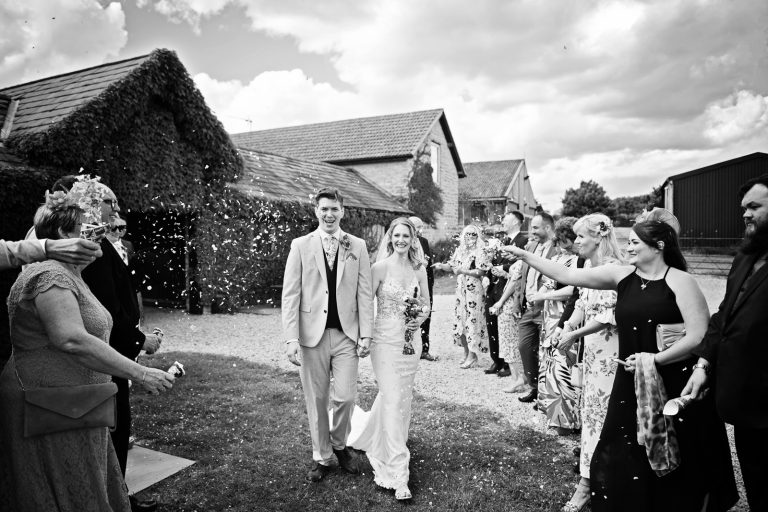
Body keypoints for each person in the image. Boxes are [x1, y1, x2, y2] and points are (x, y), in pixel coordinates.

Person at [504, 217, 738, 512]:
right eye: (628, 242)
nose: (628, 248)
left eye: (635, 242)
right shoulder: (621, 275)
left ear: (658, 247)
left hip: (673, 377)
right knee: (620, 444)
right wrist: (526, 255)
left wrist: (654, 359)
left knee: (676, 447)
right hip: (630, 377)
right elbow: (567, 274)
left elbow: (698, 335)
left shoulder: (681, 281)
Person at [0, 191, 174, 512]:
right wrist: (141, 372)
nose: (98, 232)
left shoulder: (72, 274)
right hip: (49, 407)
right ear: (66, 235)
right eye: (87, 226)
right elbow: (72, 339)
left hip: (77, 405)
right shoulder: (48, 274)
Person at [684, 174, 768, 511]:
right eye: (743, 208)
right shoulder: (745, 257)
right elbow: (724, 317)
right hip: (746, 402)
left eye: (754, 206)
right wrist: (704, 363)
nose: (745, 214)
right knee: (758, 480)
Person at [80, 180, 165, 512]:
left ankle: (118, 496)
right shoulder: (92, 247)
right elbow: (107, 309)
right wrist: (140, 341)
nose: (116, 211)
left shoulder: (101, 242)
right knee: (113, 432)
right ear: (90, 205)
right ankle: (115, 501)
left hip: (117, 352)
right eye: (110, 203)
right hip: (109, 358)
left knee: (117, 430)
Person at [282, 188, 374, 482]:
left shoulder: (356, 245)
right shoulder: (300, 245)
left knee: (346, 397)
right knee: (317, 399)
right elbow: (291, 295)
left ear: (342, 211)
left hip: (347, 335)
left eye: (334, 209)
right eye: (324, 209)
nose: (329, 214)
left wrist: (366, 335)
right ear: (316, 211)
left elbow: (363, 292)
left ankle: (338, 444)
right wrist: (290, 338)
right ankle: (322, 457)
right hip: (312, 337)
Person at [349, 218, 430, 501]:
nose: (400, 240)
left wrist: (417, 318)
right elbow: (364, 305)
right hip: (384, 342)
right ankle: (398, 474)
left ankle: (384, 438)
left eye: (405, 235)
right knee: (393, 398)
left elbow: (426, 306)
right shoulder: (379, 268)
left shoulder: (419, 270)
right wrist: (365, 337)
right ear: (390, 238)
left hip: (410, 343)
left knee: (400, 399)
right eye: (396, 235)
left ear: (412, 238)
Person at [532, 217, 581, 432]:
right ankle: (549, 407)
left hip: (564, 316)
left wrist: (545, 295)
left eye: (563, 241)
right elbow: (548, 282)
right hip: (549, 316)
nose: (559, 246)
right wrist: (539, 294)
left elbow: (573, 290)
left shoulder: (578, 261)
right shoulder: (560, 259)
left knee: (562, 365)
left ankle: (567, 419)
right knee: (548, 361)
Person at [433, 224, 491, 368]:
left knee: (472, 321)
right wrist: (441, 266)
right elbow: (453, 267)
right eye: (467, 234)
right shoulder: (460, 250)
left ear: (478, 236)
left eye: (473, 234)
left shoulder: (481, 251)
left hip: (474, 292)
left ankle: (473, 355)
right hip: (461, 291)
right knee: (462, 322)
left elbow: (482, 271)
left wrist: (465, 272)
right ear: (463, 236)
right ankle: (466, 353)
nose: (470, 237)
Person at [515, 212, 558, 403]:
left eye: (535, 227)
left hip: (546, 307)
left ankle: (544, 392)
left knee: (544, 351)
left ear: (547, 228)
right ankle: (534, 386)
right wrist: (519, 300)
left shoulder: (557, 250)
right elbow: (522, 276)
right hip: (528, 307)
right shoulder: (531, 247)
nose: (531, 231)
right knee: (524, 347)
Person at [485, 211, 528, 377]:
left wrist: (503, 269)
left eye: (506, 218)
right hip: (495, 288)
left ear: (516, 221)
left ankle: (511, 366)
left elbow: (520, 265)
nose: (502, 221)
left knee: (509, 330)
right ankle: (497, 360)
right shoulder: (502, 241)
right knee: (493, 327)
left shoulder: (523, 241)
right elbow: (494, 263)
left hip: (509, 289)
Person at [408, 216, 437, 362]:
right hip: (410, 285)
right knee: (409, 314)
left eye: (421, 227)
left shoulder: (424, 241)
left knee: (426, 314)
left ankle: (425, 349)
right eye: (417, 226)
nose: (420, 230)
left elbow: (429, 261)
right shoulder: (405, 241)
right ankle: (409, 346)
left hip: (425, 283)